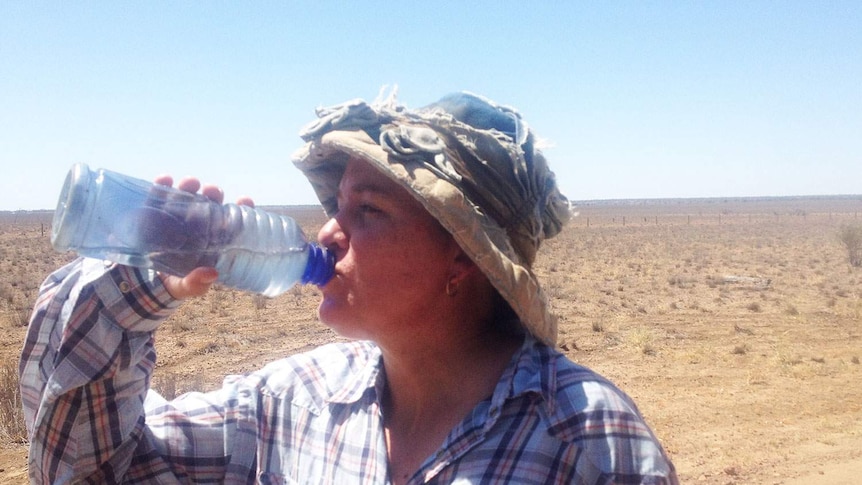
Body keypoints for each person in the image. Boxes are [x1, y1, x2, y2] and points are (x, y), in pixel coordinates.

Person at [20, 91, 678, 484]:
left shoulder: (585, 440)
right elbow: (92, 467)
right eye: (336, 205)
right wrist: (140, 277)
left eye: (369, 211)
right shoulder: (297, 403)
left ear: (462, 257)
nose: (327, 233)